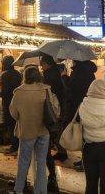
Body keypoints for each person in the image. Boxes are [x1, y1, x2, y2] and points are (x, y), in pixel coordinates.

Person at [9, 66, 50, 194]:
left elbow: (13, 112)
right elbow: (54, 109)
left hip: (27, 130)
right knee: (42, 161)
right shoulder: (46, 90)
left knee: (24, 161)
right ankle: (41, 190)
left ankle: (19, 189)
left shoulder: (19, 92)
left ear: (25, 76)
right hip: (44, 130)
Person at [65, 60, 97, 171]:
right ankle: (85, 160)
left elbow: (73, 88)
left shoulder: (80, 72)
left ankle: (86, 162)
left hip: (80, 105)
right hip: (86, 105)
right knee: (85, 135)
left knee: (84, 135)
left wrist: (66, 79)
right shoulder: (88, 72)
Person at [40, 54, 63, 192]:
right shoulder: (54, 72)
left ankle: (47, 178)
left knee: (41, 150)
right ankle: (52, 176)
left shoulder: (49, 76)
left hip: (51, 112)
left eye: (42, 62)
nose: (41, 65)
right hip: (55, 110)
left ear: (47, 63)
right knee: (46, 148)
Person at [0, 56, 22, 156]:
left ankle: (14, 145)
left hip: (8, 102)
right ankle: (19, 144)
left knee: (10, 124)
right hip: (17, 101)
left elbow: (4, 92)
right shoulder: (18, 74)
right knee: (17, 123)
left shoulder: (4, 75)